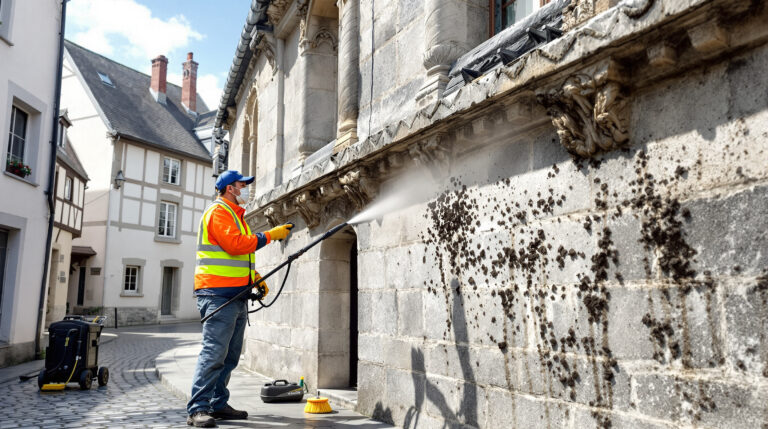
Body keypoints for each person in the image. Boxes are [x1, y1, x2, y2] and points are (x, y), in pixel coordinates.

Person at [187, 170, 293, 428]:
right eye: (242, 184)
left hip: (235, 294)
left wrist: (253, 277)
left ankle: (217, 404)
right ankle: (197, 409)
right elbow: (235, 245)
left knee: (231, 356)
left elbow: (236, 255)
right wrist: (270, 235)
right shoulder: (219, 212)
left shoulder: (236, 216)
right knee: (214, 354)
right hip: (216, 294)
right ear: (229, 188)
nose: (245, 188)